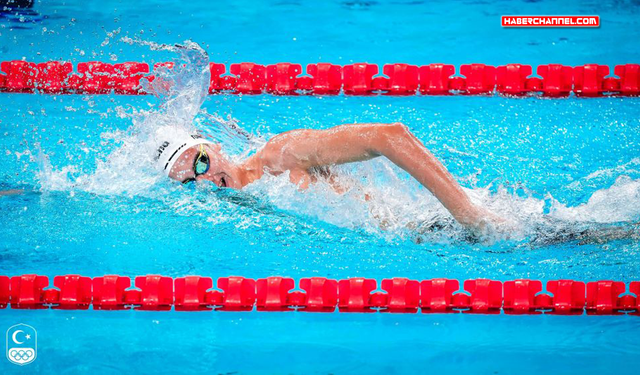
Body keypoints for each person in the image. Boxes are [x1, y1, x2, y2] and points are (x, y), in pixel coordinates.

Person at [155, 122, 505, 235]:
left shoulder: (280, 155)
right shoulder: (235, 212)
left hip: (443, 228)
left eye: (200, 163)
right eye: (188, 182)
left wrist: (469, 216)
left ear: (214, 147)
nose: (205, 181)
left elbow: (389, 135)